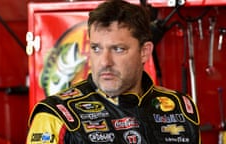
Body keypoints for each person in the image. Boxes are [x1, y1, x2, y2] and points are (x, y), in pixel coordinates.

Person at [26, 0, 200, 143]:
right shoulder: (57, 116)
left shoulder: (181, 109)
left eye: (118, 49)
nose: (105, 62)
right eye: (96, 48)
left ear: (144, 52)